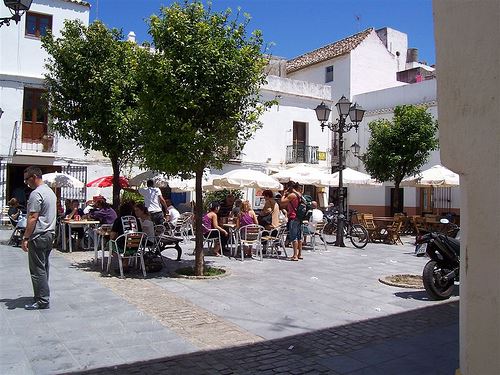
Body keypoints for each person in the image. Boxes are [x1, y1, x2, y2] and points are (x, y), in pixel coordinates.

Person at [21, 166, 57, 310]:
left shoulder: (36, 194)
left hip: (39, 235)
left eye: (27, 179)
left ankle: (42, 300)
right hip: (49, 234)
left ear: (34, 176)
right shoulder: (50, 192)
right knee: (44, 267)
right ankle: (42, 295)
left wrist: (25, 237)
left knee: (37, 269)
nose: (26, 183)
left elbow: (32, 217)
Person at [281, 182, 304, 261]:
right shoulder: (300, 195)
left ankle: (295, 255)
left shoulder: (292, 195)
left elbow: (282, 202)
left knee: (293, 236)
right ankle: (299, 254)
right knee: (299, 236)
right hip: (299, 217)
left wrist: (284, 194)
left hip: (293, 217)